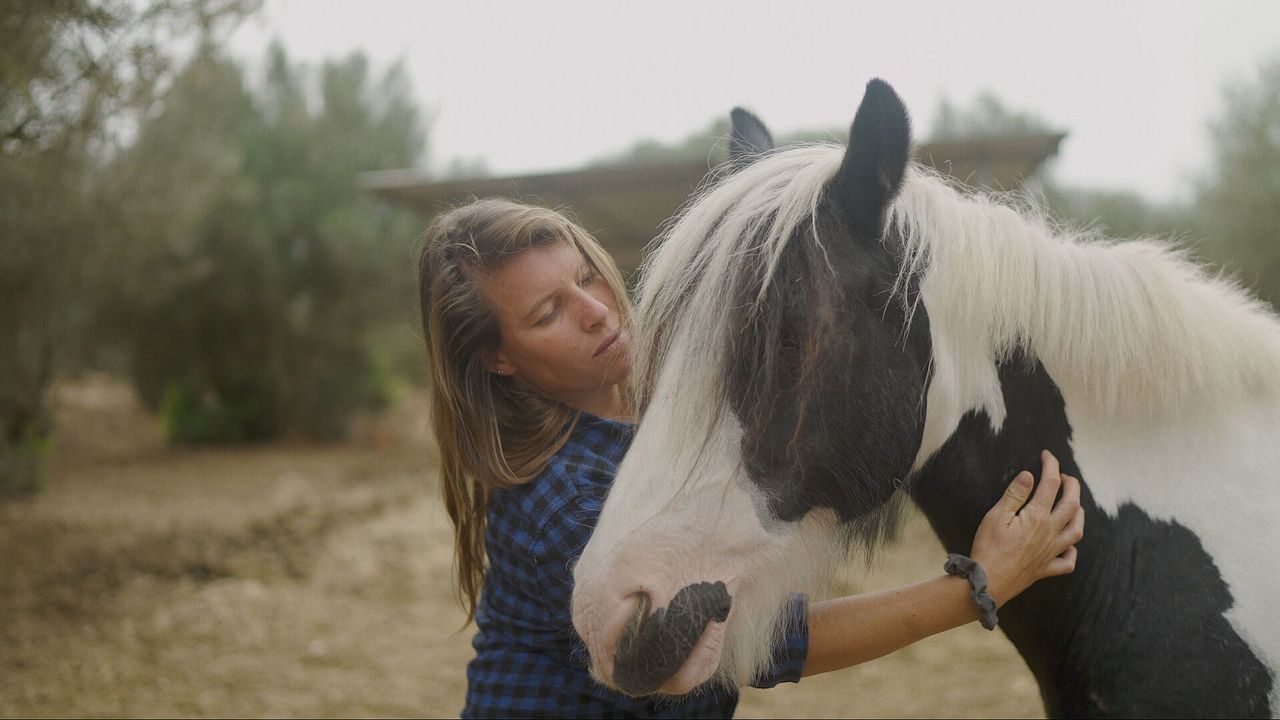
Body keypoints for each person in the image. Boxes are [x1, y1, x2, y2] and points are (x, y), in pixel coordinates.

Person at [418, 197, 1084, 719]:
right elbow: (766, 646)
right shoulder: (560, 495)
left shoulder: (662, 420)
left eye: (587, 276)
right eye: (547, 314)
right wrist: (977, 587)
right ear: (498, 360)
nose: (596, 311)